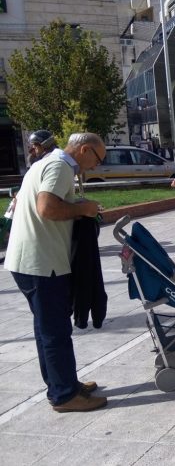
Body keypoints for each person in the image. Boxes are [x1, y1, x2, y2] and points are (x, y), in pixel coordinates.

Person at [4, 132, 108, 413]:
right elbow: (47, 208)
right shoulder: (61, 166)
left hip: (31, 260)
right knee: (55, 330)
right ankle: (64, 395)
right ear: (84, 149)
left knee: (46, 328)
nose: (96, 167)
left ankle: (63, 383)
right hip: (42, 262)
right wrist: (83, 208)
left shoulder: (47, 162)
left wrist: (80, 210)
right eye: (97, 159)